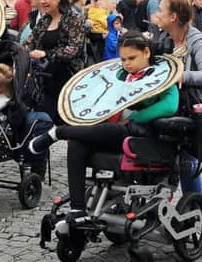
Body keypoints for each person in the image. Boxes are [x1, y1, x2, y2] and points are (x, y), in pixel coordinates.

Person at [28, 30, 179, 221]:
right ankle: (78, 209)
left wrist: (136, 117)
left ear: (147, 53)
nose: (127, 64)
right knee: (77, 143)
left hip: (143, 136)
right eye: (123, 59)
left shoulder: (163, 75)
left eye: (132, 58)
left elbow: (169, 105)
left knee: (117, 130)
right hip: (114, 131)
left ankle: (58, 132)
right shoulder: (120, 75)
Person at [155, 0, 202, 194]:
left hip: (196, 108)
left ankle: (194, 209)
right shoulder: (164, 39)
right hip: (173, 105)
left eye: (160, 11)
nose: (156, 14)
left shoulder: (198, 42)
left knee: (187, 162)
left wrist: (182, 76)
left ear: (173, 17)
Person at [24, 0, 85, 125]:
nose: (42, 1)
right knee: (43, 120)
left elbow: (74, 49)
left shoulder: (73, 19)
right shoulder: (44, 20)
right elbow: (29, 42)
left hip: (66, 80)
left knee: (61, 123)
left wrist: (46, 54)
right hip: (44, 79)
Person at [86, 0, 109, 64]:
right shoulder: (89, 2)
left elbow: (113, 20)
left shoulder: (109, 3)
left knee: (99, 60)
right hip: (90, 35)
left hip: (102, 36)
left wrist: (108, 30)